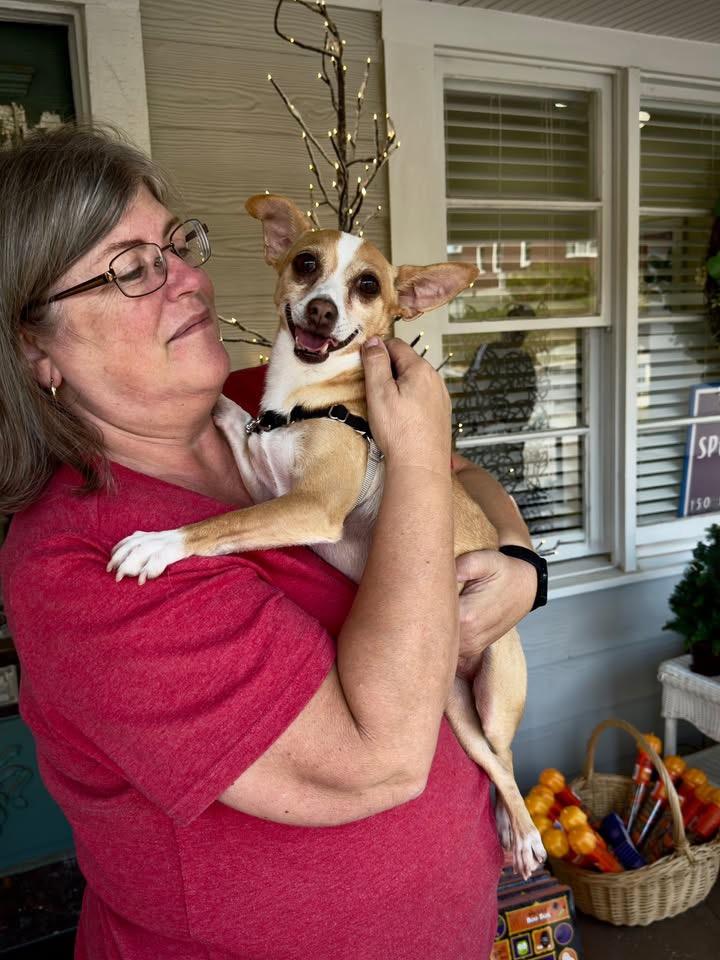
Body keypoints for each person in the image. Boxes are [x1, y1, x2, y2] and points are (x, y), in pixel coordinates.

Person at [0, 126, 538, 960]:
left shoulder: (268, 399)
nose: (188, 279)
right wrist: (422, 453)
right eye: (130, 267)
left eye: (177, 244)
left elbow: (462, 475)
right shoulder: (83, 562)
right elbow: (379, 761)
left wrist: (519, 566)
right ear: (37, 345)